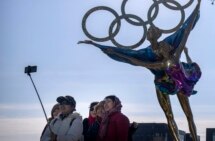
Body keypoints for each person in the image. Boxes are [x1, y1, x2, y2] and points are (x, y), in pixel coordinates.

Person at [78, 1, 201, 140]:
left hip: (178, 80)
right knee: (169, 115)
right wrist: (100, 46)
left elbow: (185, 31)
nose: (150, 31)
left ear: (158, 33)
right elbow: (127, 56)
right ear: (148, 36)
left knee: (188, 114)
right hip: (162, 83)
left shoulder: (169, 42)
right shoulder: (146, 53)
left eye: (153, 30)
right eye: (149, 31)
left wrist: (197, 8)